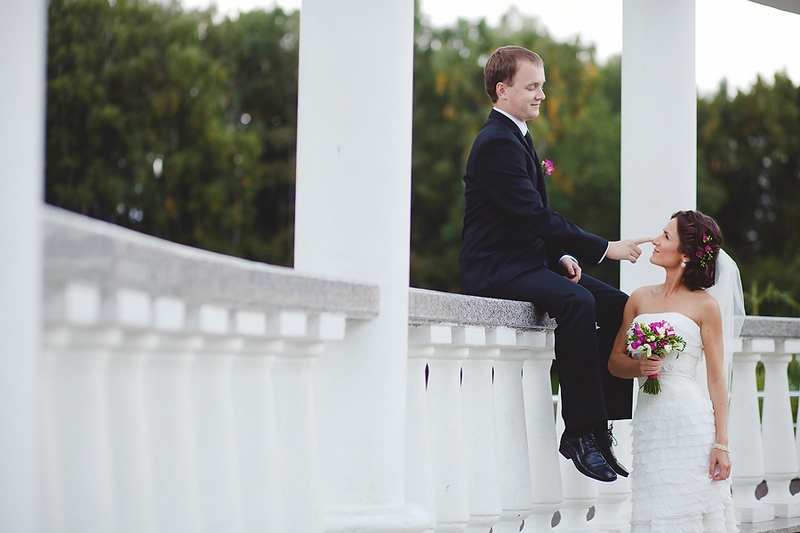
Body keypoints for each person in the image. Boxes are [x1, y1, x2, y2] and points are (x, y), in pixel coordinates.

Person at [459, 45, 649, 482]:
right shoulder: (495, 143)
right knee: (578, 303)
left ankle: (602, 425)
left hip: (529, 261)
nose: (541, 94)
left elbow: (523, 219)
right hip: (496, 268)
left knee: (621, 305)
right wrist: (605, 248)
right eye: (532, 86)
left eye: (542, 86)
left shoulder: (519, 135)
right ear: (502, 90)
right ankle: (578, 433)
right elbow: (533, 215)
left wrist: (561, 256)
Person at [608, 210, 741, 532]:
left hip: (690, 423)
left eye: (665, 236)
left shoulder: (705, 305)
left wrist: (721, 444)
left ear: (685, 254)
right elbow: (615, 362)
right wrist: (640, 366)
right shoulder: (639, 298)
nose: (655, 240)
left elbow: (715, 377)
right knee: (655, 509)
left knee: (692, 509)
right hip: (650, 425)